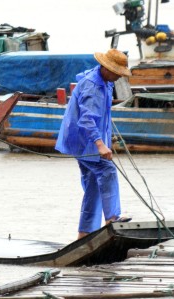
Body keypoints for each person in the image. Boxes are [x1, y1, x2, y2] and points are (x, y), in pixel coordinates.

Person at [54, 48, 132, 240]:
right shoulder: (93, 86)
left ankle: (84, 234)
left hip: (86, 140)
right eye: (117, 73)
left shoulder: (103, 80)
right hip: (84, 141)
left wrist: (107, 139)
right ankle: (113, 218)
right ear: (106, 68)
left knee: (93, 187)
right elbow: (87, 120)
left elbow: (102, 115)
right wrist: (100, 145)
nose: (118, 78)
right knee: (107, 171)